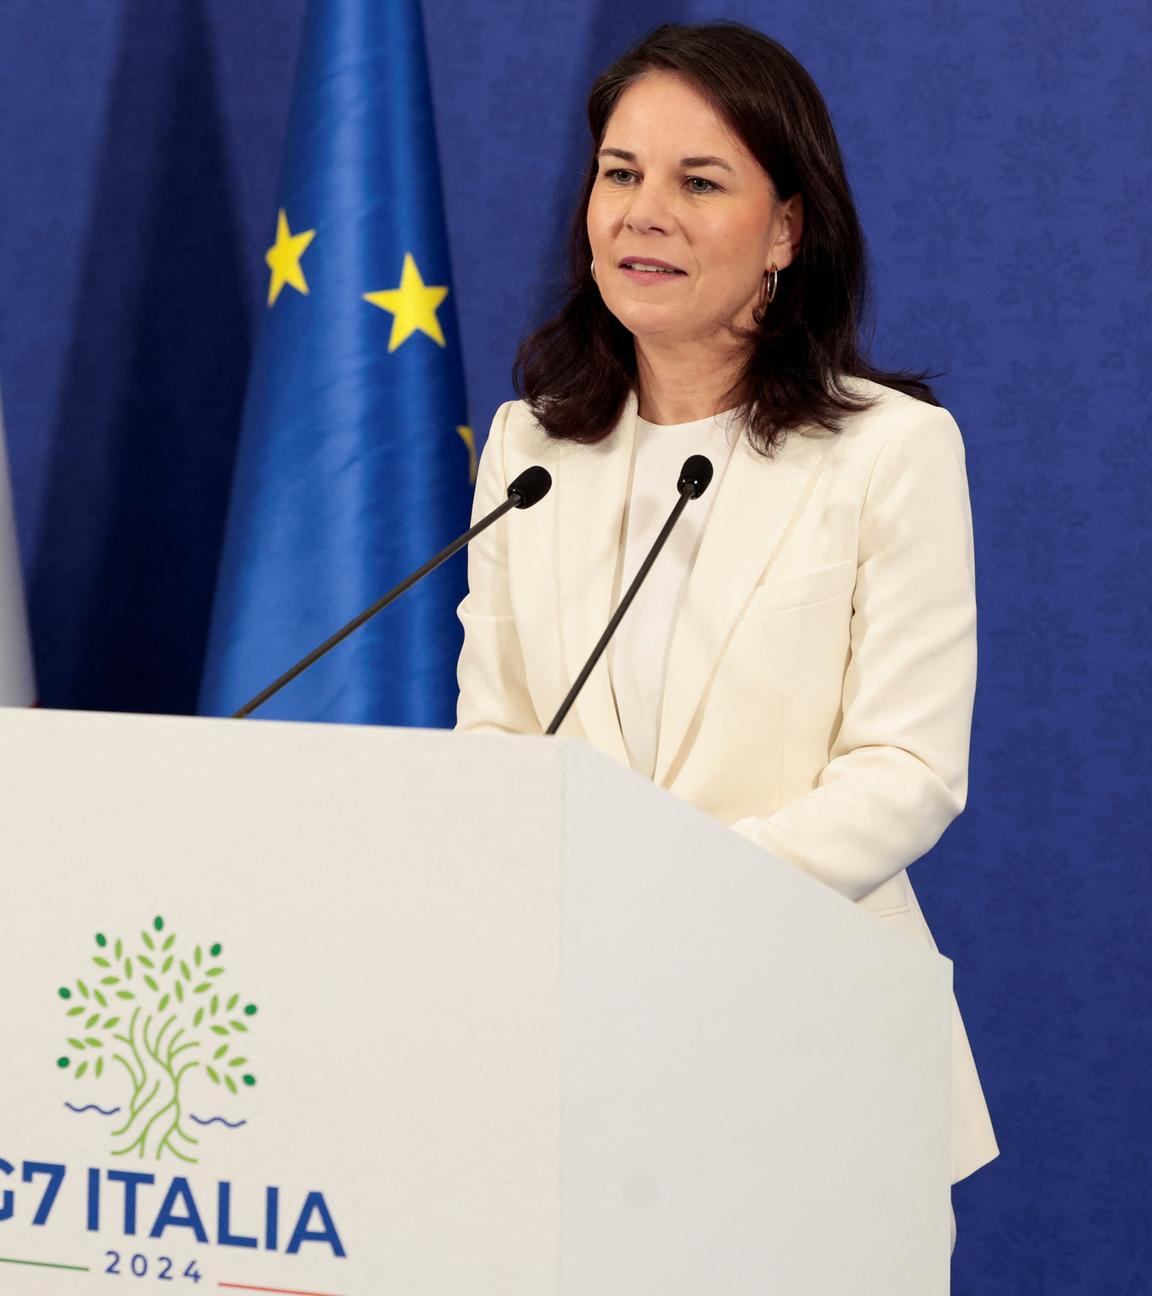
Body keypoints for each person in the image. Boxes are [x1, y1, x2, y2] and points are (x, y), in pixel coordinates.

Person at [455, 20, 998, 1255]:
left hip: (814, 1054)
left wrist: (675, 910)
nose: (644, 213)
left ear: (789, 231)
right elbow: (493, 733)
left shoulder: (891, 452)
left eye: (701, 182)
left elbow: (908, 775)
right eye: (620, 173)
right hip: (572, 1059)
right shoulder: (530, 449)